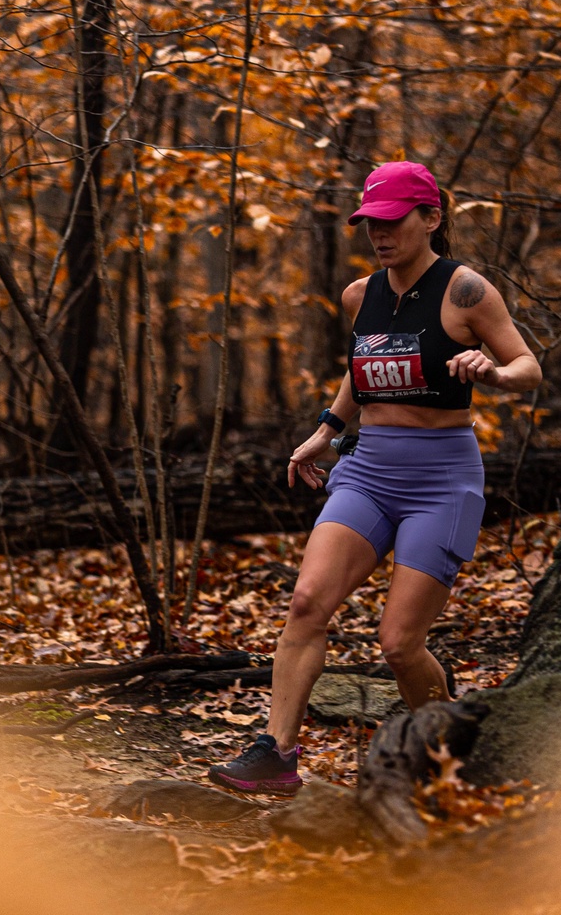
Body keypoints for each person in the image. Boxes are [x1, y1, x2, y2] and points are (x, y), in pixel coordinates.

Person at [209, 160, 542, 795]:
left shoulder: (466, 291)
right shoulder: (361, 295)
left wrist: (493, 373)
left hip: (442, 480)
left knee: (397, 643)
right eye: (370, 223)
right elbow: (364, 367)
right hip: (369, 470)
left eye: (393, 221)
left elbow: (529, 365)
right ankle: (277, 755)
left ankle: (447, 757)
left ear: (431, 219)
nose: (379, 234)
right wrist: (326, 430)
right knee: (307, 603)